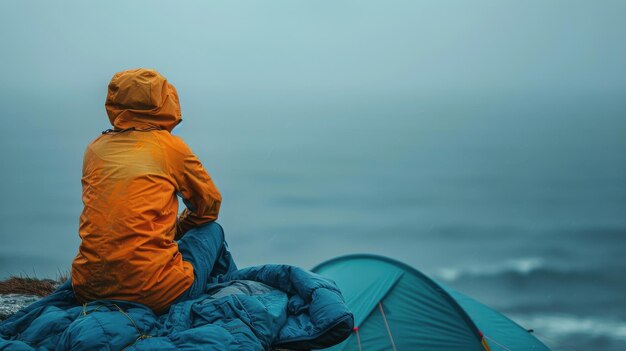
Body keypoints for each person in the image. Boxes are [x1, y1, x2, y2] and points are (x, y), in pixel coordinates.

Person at [71, 68, 236, 314]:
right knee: (211, 230)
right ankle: (234, 296)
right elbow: (209, 206)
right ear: (164, 102)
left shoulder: (95, 149)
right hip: (156, 294)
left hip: (88, 288)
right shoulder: (170, 148)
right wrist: (178, 230)